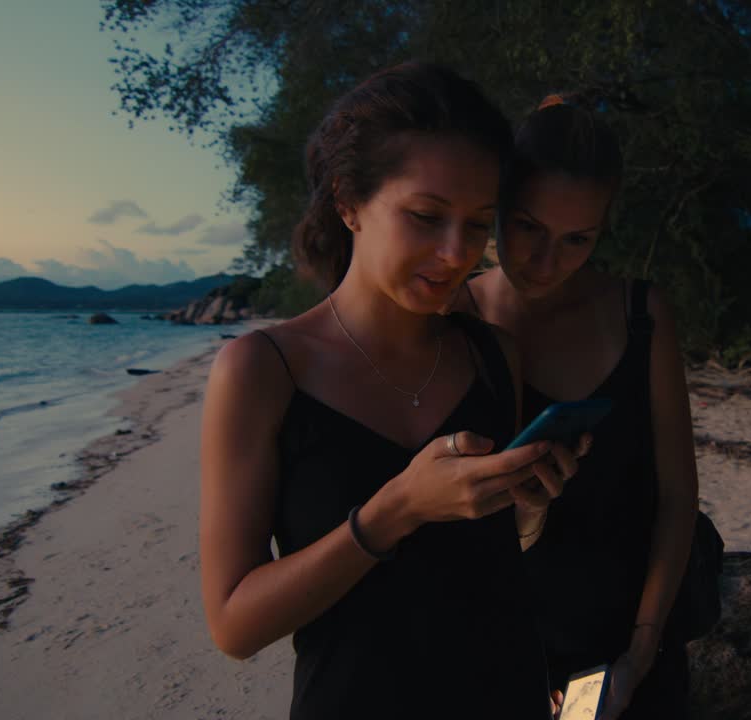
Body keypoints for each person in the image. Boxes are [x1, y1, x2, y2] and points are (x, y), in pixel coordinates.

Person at [199, 62, 581, 720]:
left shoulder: (494, 355)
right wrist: (395, 510)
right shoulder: (262, 370)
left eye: (478, 223)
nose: (455, 252)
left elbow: (500, 555)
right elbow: (234, 626)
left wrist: (532, 502)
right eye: (427, 217)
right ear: (348, 201)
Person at [456, 94, 699, 720]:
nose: (545, 261)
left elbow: (676, 499)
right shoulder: (453, 315)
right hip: (494, 642)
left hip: (632, 632)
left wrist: (640, 655)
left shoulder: (640, 314)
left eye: (577, 239)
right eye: (529, 227)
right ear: (498, 205)